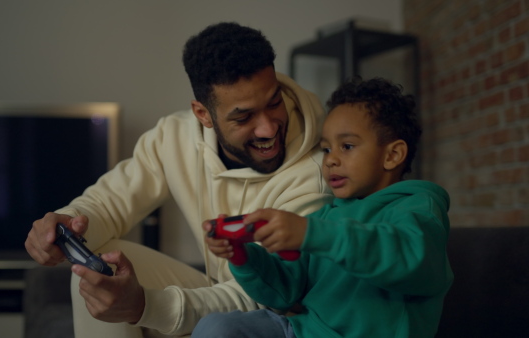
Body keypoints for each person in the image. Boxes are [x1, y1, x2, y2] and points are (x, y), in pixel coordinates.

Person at [24, 22, 331, 337]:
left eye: (274, 102)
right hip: (219, 294)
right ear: (203, 114)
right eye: (244, 117)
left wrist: (145, 306)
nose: (268, 128)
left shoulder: (317, 172)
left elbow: (266, 297)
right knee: (96, 272)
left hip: (281, 319)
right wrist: (68, 224)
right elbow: (111, 201)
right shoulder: (174, 136)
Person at [193, 77, 454, 338]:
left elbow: (408, 257)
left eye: (347, 146)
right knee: (216, 327)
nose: (330, 160)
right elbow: (283, 292)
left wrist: (311, 233)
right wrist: (242, 255)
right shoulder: (327, 215)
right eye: (326, 149)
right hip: (302, 331)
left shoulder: (418, 206)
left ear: (392, 155)